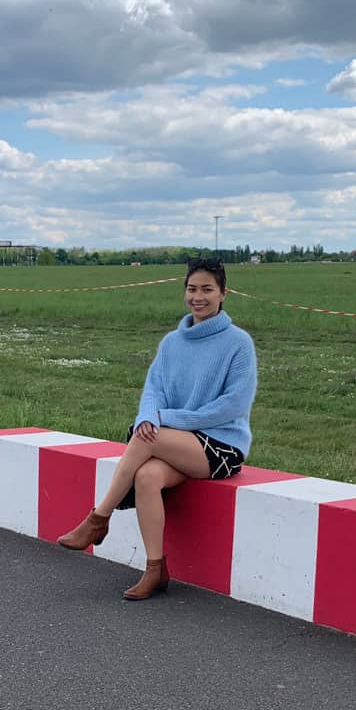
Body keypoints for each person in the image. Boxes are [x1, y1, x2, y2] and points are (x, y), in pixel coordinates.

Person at [55, 257, 258, 600]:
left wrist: (164, 420)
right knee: (147, 476)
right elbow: (153, 391)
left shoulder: (238, 343)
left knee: (145, 436)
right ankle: (155, 569)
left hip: (221, 446)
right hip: (176, 442)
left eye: (208, 289)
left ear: (224, 293)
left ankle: (99, 518)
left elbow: (233, 406)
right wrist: (150, 416)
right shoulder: (171, 343)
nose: (198, 296)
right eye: (192, 289)